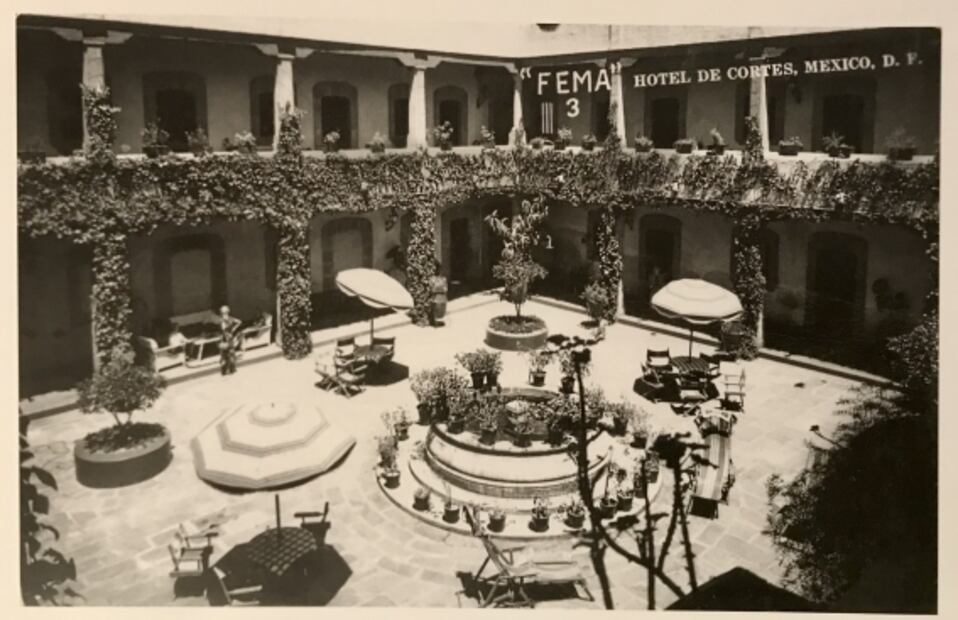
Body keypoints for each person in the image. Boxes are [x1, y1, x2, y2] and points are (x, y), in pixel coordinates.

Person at [218, 305, 242, 375]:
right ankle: (231, 370)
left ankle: (225, 371)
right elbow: (239, 322)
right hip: (229, 339)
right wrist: (233, 329)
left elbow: (224, 330)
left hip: (225, 339)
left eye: (224, 312)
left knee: (225, 355)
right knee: (230, 354)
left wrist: (231, 331)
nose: (224, 314)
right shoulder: (230, 318)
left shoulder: (222, 320)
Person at [430, 259, 448, 327]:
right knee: (435, 306)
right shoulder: (432, 279)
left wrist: (437, 289)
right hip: (435, 297)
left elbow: (445, 289)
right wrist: (440, 289)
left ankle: (436, 320)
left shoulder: (443, 279)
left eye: (439, 269)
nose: (438, 271)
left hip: (441, 297)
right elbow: (432, 289)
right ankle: (434, 321)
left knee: (440, 309)